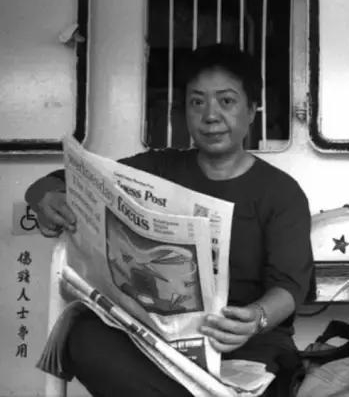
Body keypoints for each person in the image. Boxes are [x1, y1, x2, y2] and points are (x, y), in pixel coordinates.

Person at [25, 45, 315, 397]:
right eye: (197, 102)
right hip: (156, 344)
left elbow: (289, 286)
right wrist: (44, 196)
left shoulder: (280, 192)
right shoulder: (157, 169)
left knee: (267, 379)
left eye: (226, 101)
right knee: (83, 336)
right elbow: (61, 181)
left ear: (252, 110)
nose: (210, 116)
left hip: (245, 347)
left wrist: (257, 318)